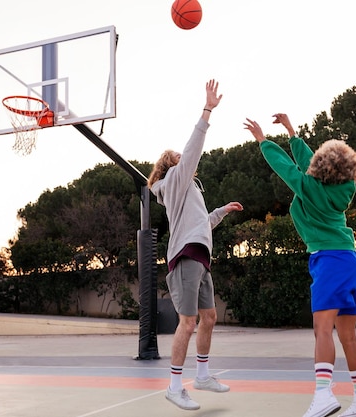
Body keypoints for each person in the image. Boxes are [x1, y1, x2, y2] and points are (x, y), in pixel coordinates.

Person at [244, 114, 356, 417]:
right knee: (347, 336)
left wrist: (264, 142)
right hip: (352, 261)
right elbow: (306, 163)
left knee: (321, 330)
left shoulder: (309, 187)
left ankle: (323, 394)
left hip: (330, 260)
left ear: (321, 169)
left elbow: (288, 169)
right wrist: (292, 132)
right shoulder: (341, 190)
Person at [148, 79, 244, 411]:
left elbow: (201, 222)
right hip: (186, 256)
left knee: (210, 317)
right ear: (169, 164)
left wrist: (222, 211)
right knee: (187, 322)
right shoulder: (173, 181)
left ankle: (202, 375)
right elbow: (192, 150)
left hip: (200, 255)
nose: (183, 155)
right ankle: (175, 386)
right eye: (178, 155)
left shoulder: (190, 190)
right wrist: (206, 111)